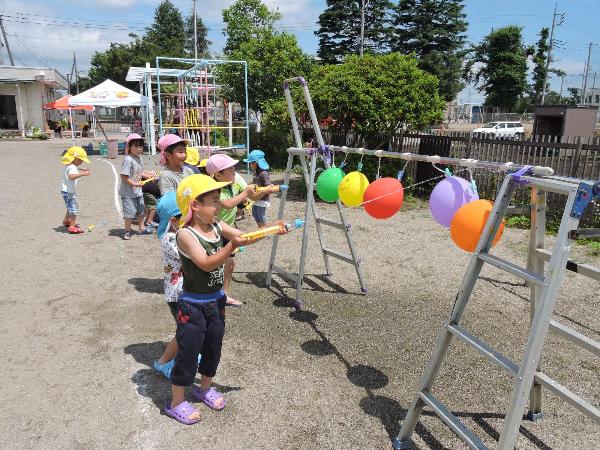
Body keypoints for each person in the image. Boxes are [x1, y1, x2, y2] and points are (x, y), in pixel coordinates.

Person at [164, 174, 281, 424]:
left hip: (216, 301)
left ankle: (204, 388)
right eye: (214, 201)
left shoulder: (216, 226)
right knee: (188, 352)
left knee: (213, 348)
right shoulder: (186, 235)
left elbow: (242, 236)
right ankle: (176, 402)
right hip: (193, 305)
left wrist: (271, 230)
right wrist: (231, 247)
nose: (219, 206)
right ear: (195, 205)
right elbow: (206, 264)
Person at [206, 154, 261, 307]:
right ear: (218, 174)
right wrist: (246, 193)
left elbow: (251, 196)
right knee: (214, 264)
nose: (234, 172)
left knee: (229, 264)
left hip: (229, 227)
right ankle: (211, 294)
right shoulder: (214, 188)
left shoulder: (233, 182)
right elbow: (228, 204)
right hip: (216, 228)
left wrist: (263, 191)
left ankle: (223, 294)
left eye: (233, 168)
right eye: (230, 169)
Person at [152, 191, 183, 379]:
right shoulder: (170, 238)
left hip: (184, 290)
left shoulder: (178, 233)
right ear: (173, 219)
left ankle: (187, 352)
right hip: (177, 293)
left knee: (190, 329)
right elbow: (190, 257)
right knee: (184, 332)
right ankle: (162, 362)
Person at [119, 133, 156, 240]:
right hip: (128, 193)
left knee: (141, 211)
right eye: (136, 146)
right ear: (129, 147)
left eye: (141, 146)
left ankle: (141, 228)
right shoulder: (128, 160)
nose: (139, 148)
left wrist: (151, 175)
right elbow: (124, 176)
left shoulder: (139, 158)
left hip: (138, 191)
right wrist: (135, 184)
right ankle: (127, 231)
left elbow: (140, 172)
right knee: (130, 213)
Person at [60, 146, 91, 234]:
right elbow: (71, 176)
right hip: (69, 192)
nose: (82, 162)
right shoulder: (72, 168)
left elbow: (73, 170)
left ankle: (66, 221)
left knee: (69, 206)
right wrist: (83, 173)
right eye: (81, 160)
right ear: (75, 158)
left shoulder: (69, 165)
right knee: (73, 208)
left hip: (65, 191)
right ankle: (72, 227)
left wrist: (81, 169)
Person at [244, 149, 275, 227]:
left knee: (261, 215)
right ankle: (260, 227)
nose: (250, 165)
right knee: (255, 213)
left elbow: (268, 184)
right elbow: (255, 184)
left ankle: (265, 229)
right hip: (257, 198)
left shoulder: (263, 173)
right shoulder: (256, 173)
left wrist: (269, 187)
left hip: (263, 198)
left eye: (250, 163)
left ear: (256, 163)